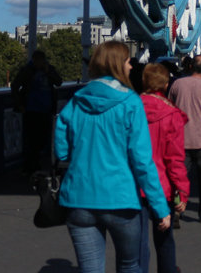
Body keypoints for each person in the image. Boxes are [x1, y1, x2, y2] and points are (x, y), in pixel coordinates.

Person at [55, 41, 170, 273]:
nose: (131, 67)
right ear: (118, 65)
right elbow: (142, 161)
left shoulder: (75, 101)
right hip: (121, 199)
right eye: (128, 61)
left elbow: (62, 151)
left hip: (79, 198)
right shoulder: (130, 102)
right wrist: (160, 206)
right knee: (130, 265)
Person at [139, 63, 189, 273]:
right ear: (167, 84)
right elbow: (174, 159)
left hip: (134, 184)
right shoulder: (172, 114)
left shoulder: (130, 107)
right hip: (162, 186)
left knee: (138, 243)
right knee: (165, 240)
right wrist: (183, 191)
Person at [168, 53, 201, 224]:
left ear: (190, 67)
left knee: (178, 179)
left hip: (179, 140)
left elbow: (169, 109)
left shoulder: (177, 84)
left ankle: (177, 209)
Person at [11, 49, 63, 175]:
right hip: (31, 109)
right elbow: (15, 85)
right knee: (31, 139)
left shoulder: (48, 69)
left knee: (42, 138)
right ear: (34, 60)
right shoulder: (27, 71)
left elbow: (58, 82)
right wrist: (20, 105)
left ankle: (36, 163)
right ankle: (31, 166)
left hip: (45, 109)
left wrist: (48, 72)